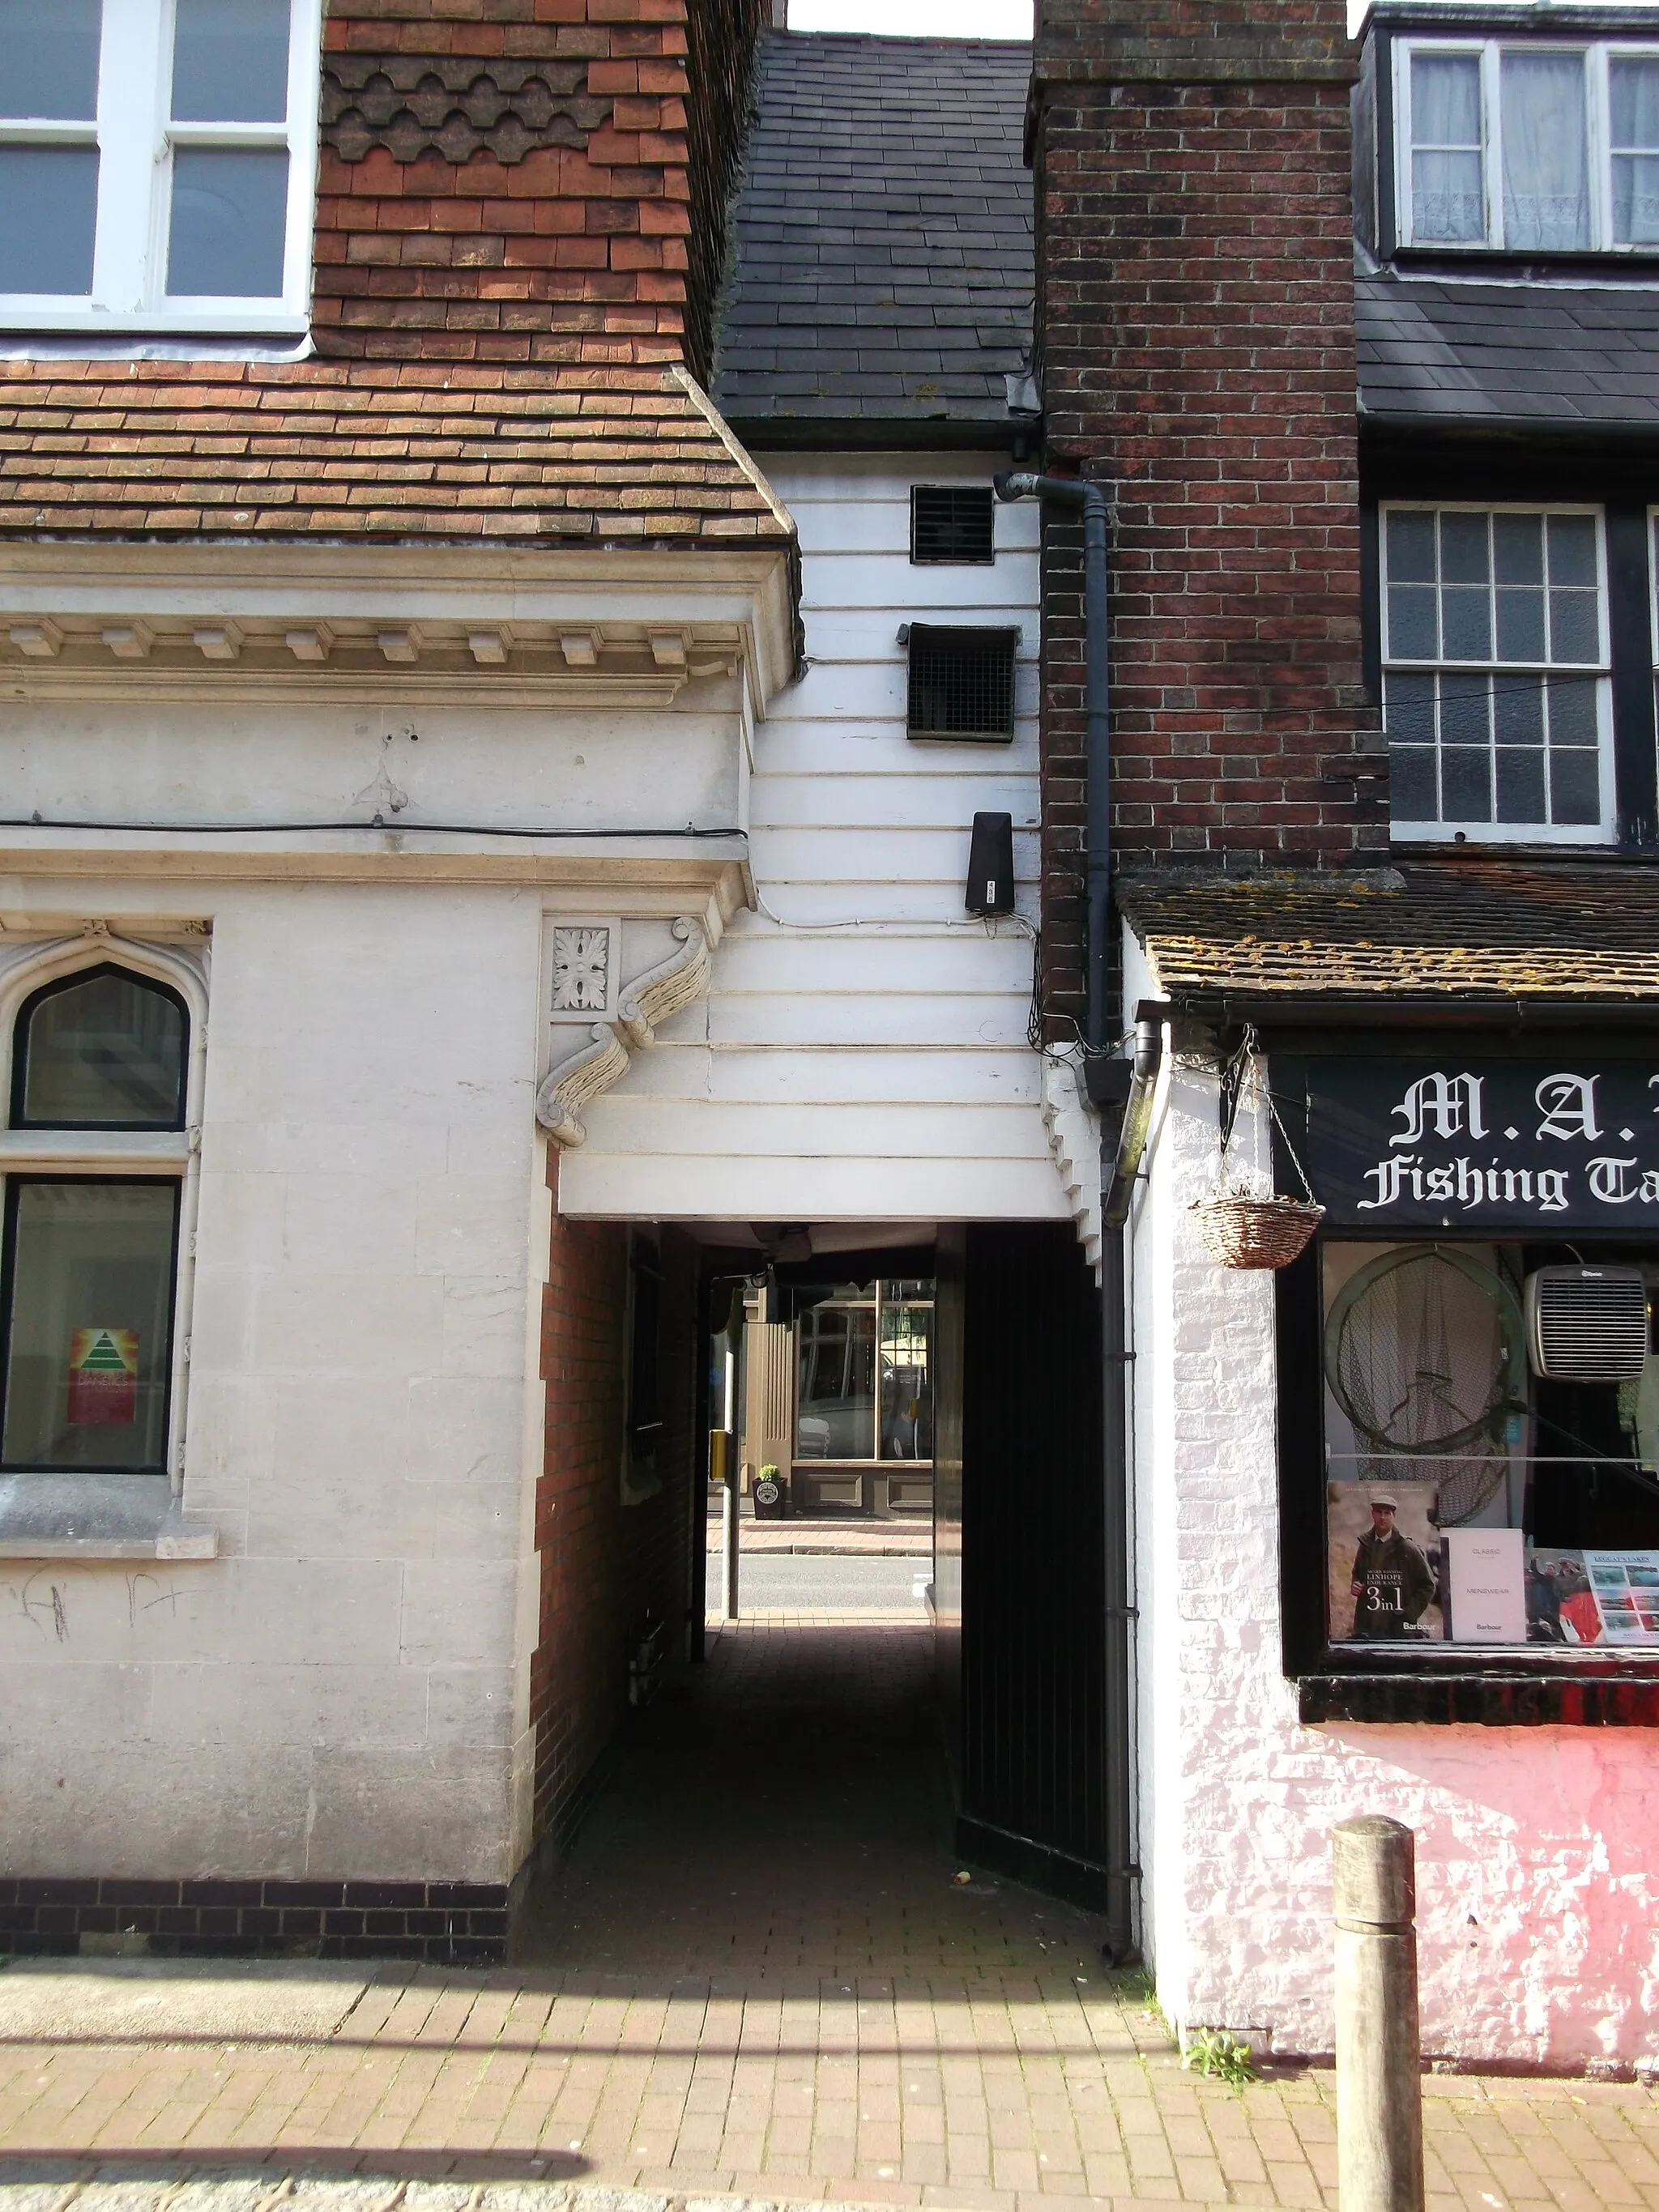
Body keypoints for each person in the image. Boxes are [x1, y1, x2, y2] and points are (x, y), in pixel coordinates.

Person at [1349, 1494, 1436, 1639]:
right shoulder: (1365, 1545)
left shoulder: (1407, 1548)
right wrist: (1356, 1584)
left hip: (1396, 1630)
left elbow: (1428, 1586)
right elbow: (1358, 1573)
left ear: (1393, 1516)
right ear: (1373, 1514)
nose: (1382, 1517)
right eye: (1379, 1512)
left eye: (1387, 1513)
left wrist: (1408, 1615)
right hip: (1367, 1627)